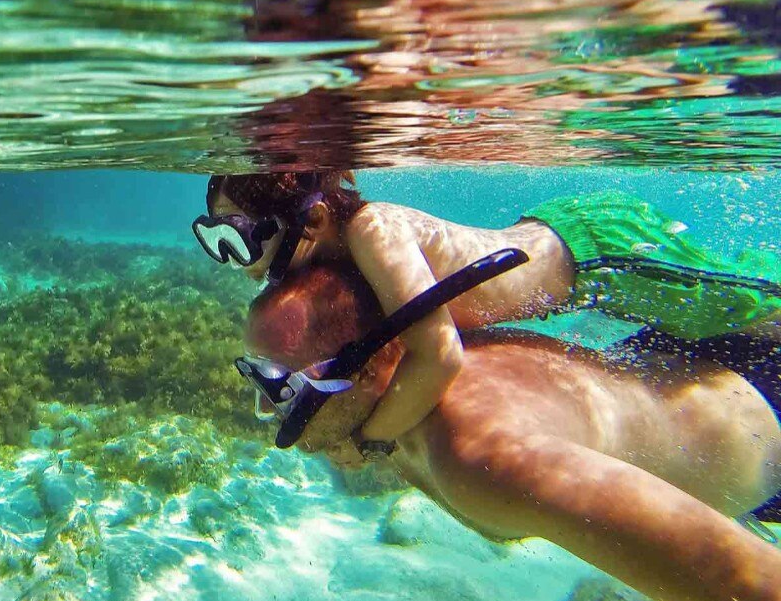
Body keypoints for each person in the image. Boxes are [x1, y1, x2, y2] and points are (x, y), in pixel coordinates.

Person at [243, 260, 781, 601]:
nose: (267, 412)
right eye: (256, 376)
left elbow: (755, 587)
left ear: (366, 368)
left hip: (761, 416)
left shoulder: (484, 455)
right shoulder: (397, 391)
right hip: (681, 367)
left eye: (279, 387)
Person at [193, 171, 781, 455]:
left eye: (241, 236)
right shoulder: (329, 256)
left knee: (751, 304)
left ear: (315, 219)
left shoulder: (373, 231)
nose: (235, 260)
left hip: (605, 252)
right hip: (567, 244)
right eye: (214, 237)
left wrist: (370, 441)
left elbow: (439, 354)